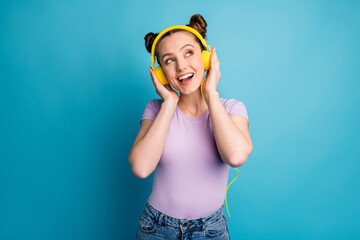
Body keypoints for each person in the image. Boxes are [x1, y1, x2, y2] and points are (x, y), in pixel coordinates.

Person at [129, 14, 253, 240]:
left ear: (206, 58)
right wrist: (169, 104)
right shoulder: (156, 109)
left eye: (188, 53)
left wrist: (211, 95)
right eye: (168, 60)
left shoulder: (232, 108)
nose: (181, 66)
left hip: (210, 230)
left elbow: (236, 156)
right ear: (160, 73)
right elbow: (141, 167)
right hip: (155, 228)